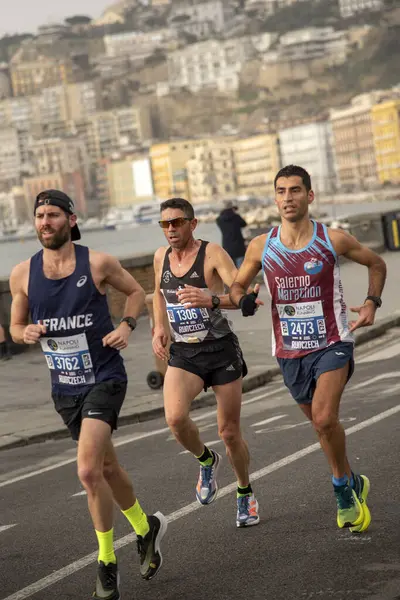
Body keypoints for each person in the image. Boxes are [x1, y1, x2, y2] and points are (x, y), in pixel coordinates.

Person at [9, 189, 167, 600]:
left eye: (54, 215)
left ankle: (106, 562)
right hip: (64, 387)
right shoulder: (22, 274)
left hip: (104, 376)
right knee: (108, 470)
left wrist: (128, 325)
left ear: (71, 219)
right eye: (40, 216)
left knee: (86, 472)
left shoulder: (96, 262)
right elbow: (13, 327)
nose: (46, 222)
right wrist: (22, 332)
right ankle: (145, 528)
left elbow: (136, 292)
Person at [229, 165, 387, 533]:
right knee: (323, 429)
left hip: (333, 342)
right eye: (281, 191)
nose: (288, 198)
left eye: (295, 190)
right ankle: (352, 479)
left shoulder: (333, 239)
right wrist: (245, 299)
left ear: (310, 196)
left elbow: (376, 263)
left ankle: (341, 491)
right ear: (275, 198)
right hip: (289, 352)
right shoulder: (261, 246)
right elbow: (236, 288)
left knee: (324, 419)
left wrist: (371, 303)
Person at [152, 197, 262, 527]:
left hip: (220, 351)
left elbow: (239, 294)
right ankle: (205, 459)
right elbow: (158, 292)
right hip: (185, 353)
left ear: (192, 223)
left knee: (229, 432)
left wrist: (211, 298)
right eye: (165, 224)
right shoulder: (161, 257)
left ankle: (245, 492)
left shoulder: (211, 253)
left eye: (176, 222)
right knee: (174, 418)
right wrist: (159, 326)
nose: (170, 229)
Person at [216, 200, 247, 268]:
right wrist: (235, 213)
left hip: (227, 247)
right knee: (241, 270)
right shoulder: (236, 217)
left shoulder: (219, 219)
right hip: (239, 247)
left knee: (231, 269)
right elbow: (244, 224)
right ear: (232, 208)